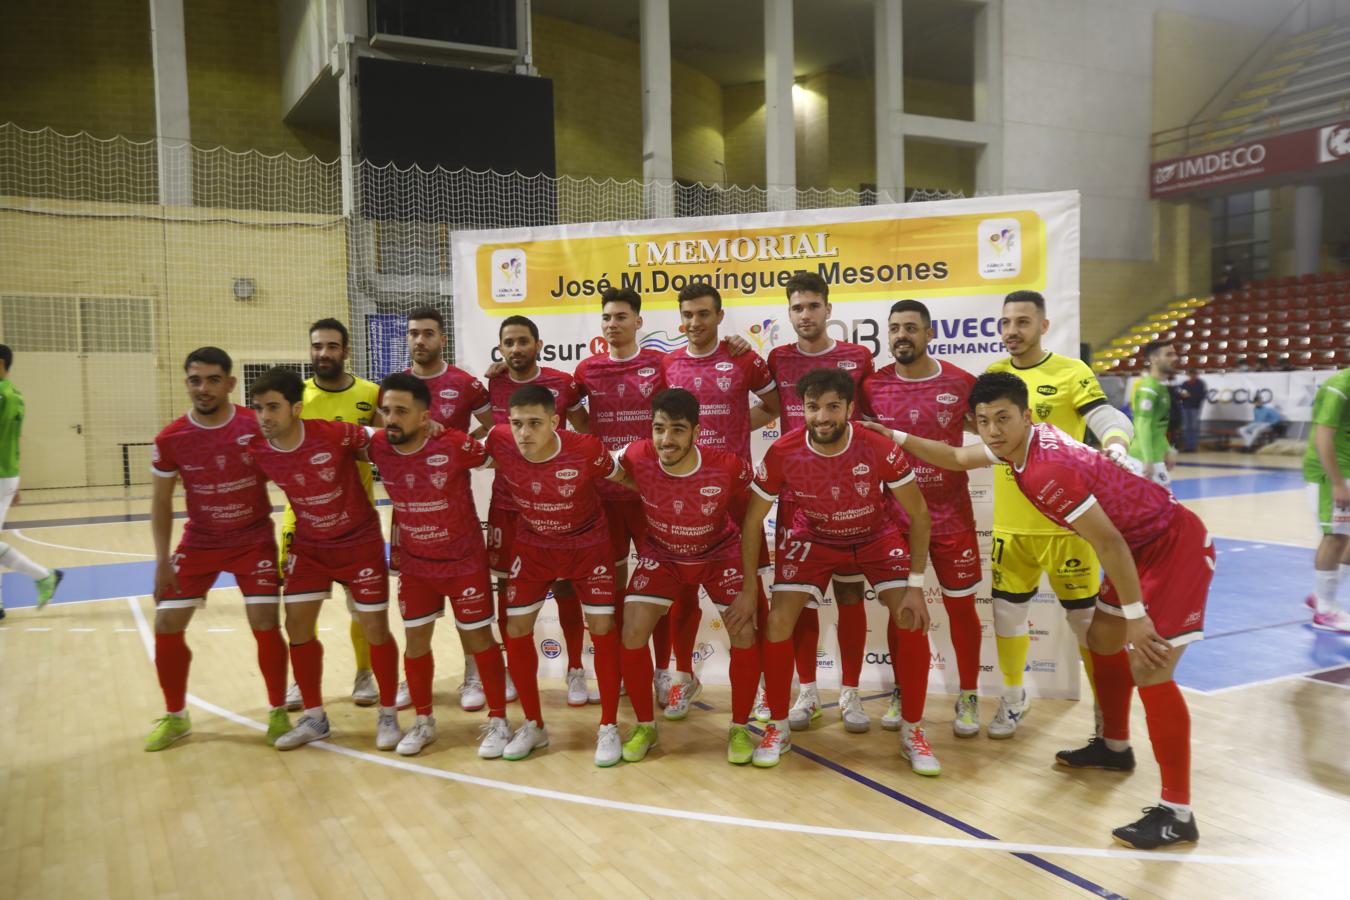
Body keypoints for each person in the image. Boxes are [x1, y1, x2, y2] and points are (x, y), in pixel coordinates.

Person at [867, 370, 1215, 849]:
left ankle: (1178, 814)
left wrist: (1136, 613)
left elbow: (1108, 543)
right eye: (984, 420)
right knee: (1100, 639)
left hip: (1172, 546)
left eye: (1003, 419)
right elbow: (953, 455)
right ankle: (1114, 747)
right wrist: (896, 435)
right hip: (1139, 546)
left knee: (1149, 667)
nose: (992, 430)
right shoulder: (1017, 446)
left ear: (1027, 416)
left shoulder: (1047, 469)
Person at [738, 369, 936, 774]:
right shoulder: (782, 451)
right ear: (802, 409)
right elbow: (752, 521)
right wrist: (747, 586)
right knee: (777, 622)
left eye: (832, 407)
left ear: (849, 408)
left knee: (911, 619)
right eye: (813, 407)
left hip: (875, 535)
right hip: (816, 536)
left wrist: (916, 586)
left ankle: (912, 732)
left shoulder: (878, 447)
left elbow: (919, 514)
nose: (822, 417)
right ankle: (777, 727)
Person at [985, 290, 1134, 746]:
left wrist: (1116, 443)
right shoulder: (993, 375)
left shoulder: (1072, 372)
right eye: (1006, 322)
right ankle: (1013, 697)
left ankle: (1106, 718)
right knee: (1007, 617)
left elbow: (1108, 415)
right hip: (1012, 527)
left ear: (1044, 326)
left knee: (1086, 625)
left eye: (1023, 322)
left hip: (1069, 526)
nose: (1013, 330)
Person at [246, 367, 403, 752]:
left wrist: (424, 432)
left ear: (296, 408)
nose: (264, 416)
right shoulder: (258, 449)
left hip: (358, 542)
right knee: (296, 625)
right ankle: (315, 717)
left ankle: (388, 714)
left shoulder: (334, 434)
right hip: (310, 547)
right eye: (258, 408)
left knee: (375, 628)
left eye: (272, 407)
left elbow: (387, 438)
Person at [144, 347, 286, 751]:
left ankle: (277, 710)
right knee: (167, 623)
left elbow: (290, 468)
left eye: (211, 380)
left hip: (253, 539)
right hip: (200, 542)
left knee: (264, 621)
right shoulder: (171, 438)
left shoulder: (255, 425)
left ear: (230, 383)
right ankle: (176, 717)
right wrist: (160, 561)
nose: (202, 388)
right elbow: (159, 502)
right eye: (194, 380)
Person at [483, 385, 632, 765]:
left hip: (588, 545)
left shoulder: (585, 449)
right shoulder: (499, 441)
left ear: (555, 421)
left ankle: (609, 726)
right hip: (534, 546)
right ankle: (533, 724)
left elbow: (627, 478)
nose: (524, 432)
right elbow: (456, 450)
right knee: (515, 629)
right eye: (517, 423)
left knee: (601, 625)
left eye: (534, 423)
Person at [613, 388, 762, 764]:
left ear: (696, 431)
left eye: (677, 430)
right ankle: (645, 726)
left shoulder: (727, 465)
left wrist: (750, 584)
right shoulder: (635, 454)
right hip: (662, 553)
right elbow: (604, 466)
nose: (666, 439)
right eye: (659, 429)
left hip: (718, 552)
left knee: (743, 630)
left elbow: (752, 515)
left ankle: (741, 728)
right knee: (631, 629)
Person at [367, 372, 512, 756]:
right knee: (415, 643)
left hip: (464, 561)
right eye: (386, 411)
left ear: (424, 415)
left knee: (480, 640)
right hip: (416, 565)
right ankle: (423, 721)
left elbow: (498, 456)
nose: (391, 418)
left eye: (401, 411)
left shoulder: (453, 444)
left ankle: (499, 721)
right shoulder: (379, 445)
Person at [860, 300, 983, 737]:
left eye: (910, 328)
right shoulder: (872, 387)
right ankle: (903, 688)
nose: (901, 336)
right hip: (894, 519)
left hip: (951, 517)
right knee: (902, 610)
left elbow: (986, 437)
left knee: (961, 606)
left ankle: (969, 694)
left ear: (930, 333)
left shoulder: (961, 382)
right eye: (894, 329)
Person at [660, 283, 780, 719]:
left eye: (703, 314)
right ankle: (683, 676)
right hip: (682, 497)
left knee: (752, 591)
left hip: (734, 494)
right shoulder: (668, 363)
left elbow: (775, 405)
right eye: (688, 314)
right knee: (682, 590)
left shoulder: (743, 357)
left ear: (719, 315)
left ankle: (765, 683)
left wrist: (734, 424)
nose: (695, 323)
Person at [766, 271, 876, 733]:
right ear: (789, 313)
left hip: (850, 496)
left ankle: (850, 692)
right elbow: (767, 409)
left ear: (829, 310)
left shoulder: (857, 356)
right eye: (797, 307)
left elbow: (868, 417)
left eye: (813, 306)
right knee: (802, 601)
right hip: (796, 500)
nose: (805, 315)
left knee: (851, 592)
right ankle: (807, 691)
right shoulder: (777, 358)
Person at [402, 305, 511, 713]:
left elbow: (494, 425)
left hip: (456, 508)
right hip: (410, 511)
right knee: (415, 603)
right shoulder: (394, 387)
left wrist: (459, 444)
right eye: (414, 333)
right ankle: (414, 678)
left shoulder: (464, 384)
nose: (420, 341)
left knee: (471, 607)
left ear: (442, 338)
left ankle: (472, 672)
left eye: (428, 333)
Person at [279, 319, 391, 712]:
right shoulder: (297, 398)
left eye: (331, 346)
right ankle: (300, 680)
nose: (323, 353)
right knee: (297, 610)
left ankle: (365, 673)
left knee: (363, 608)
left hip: (357, 523)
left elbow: (388, 448)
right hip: (302, 521)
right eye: (317, 346)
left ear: (345, 351)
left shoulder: (370, 394)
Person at [486, 316, 596, 707]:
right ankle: (513, 671)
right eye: (508, 342)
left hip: (556, 503)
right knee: (506, 588)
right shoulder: (494, 382)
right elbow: (489, 436)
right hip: (506, 504)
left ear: (538, 344)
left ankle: (575, 670)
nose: (515, 349)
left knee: (565, 583)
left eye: (523, 341)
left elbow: (583, 430)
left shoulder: (564, 383)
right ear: (500, 348)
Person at [572, 288, 671, 702]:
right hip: (604, 500)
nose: (613, 324)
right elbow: (571, 411)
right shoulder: (588, 369)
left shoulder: (660, 364)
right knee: (609, 589)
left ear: (638, 322)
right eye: (607, 318)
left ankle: (662, 671)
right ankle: (616, 670)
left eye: (621, 317)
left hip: (650, 496)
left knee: (661, 586)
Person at [0, 344, 62, 620]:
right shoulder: (16, 395)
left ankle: (44, 576)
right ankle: (44, 577)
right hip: (7, 474)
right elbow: (12, 440)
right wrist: (15, 484)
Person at [1302, 369, 1350, 633]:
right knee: (1335, 537)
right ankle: (1325, 611)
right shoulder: (1339, 386)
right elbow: (1323, 438)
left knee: (1347, 537)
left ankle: (1320, 595)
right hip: (1331, 472)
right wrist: (1338, 482)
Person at [1129, 341, 1178, 490]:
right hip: (1143, 458)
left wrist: (1168, 450)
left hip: (1154, 457)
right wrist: (1147, 460)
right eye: (1169, 354)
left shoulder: (1161, 387)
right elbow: (1142, 426)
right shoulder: (1148, 389)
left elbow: (1158, 426)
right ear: (1154, 359)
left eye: (1174, 354)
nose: (1175, 358)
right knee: (1166, 508)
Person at [1177, 371, 1206, 453]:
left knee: (1194, 427)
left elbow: (1200, 396)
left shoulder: (1200, 384)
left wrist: (1190, 397)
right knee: (1186, 427)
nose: (1191, 376)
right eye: (1190, 375)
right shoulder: (1185, 383)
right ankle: (1187, 446)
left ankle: (1193, 446)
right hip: (1185, 407)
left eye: (1193, 374)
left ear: (1196, 375)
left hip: (1195, 408)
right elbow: (1181, 394)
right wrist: (1184, 397)